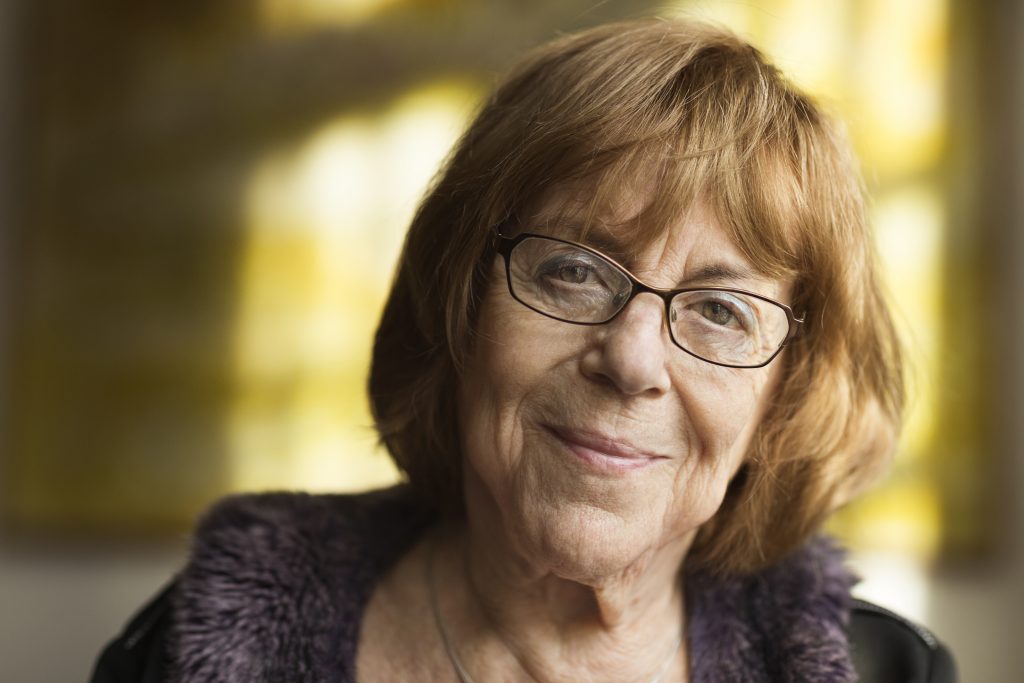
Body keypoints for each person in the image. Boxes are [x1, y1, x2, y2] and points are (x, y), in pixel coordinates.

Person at [91, 18, 957, 683]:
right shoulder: (204, 640)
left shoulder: (885, 672)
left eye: (722, 311)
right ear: (461, 299)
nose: (633, 361)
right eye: (574, 271)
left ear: (785, 391)